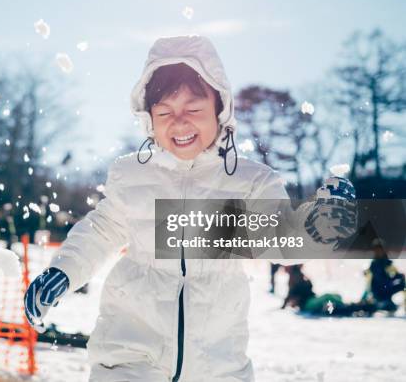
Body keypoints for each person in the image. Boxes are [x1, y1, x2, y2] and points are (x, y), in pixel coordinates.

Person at [23, 36, 358, 381]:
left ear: (220, 110)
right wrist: (62, 272)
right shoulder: (132, 175)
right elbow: (101, 230)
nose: (180, 123)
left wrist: (320, 225)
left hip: (216, 363)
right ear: (148, 118)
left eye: (194, 110)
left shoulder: (249, 182)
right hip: (130, 357)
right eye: (165, 112)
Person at [282, 274, 375, 317]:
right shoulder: (295, 284)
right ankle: (345, 305)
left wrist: (308, 281)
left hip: (312, 299)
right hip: (307, 304)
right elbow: (291, 298)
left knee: (334, 295)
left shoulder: (303, 279)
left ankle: (347, 305)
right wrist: (285, 306)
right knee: (327, 296)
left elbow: (310, 288)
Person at [361, 238, 405, 312]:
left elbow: (396, 275)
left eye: (380, 249)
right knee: (386, 305)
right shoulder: (373, 265)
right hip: (378, 292)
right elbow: (369, 282)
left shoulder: (388, 263)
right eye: (376, 249)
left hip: (387, 290)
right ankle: (382, 304)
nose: (378, 251)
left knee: (403, 284)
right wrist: (363, 298)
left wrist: (399, 276)